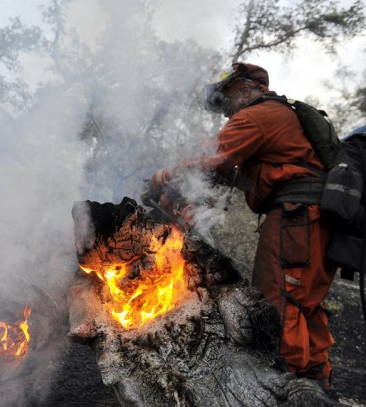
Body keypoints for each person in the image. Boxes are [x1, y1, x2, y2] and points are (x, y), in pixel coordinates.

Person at [143, 63, 336, 391]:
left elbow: (212, 156)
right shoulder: (283, 118)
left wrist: (163, 176)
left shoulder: (257, 115)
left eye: (227, 97)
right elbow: (246, 176)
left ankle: (285, 388)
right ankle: (319, 389)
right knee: (305, 306)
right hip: (316, 221)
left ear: (247, 88)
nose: (225, 110)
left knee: (277, 303)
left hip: (296, 220)